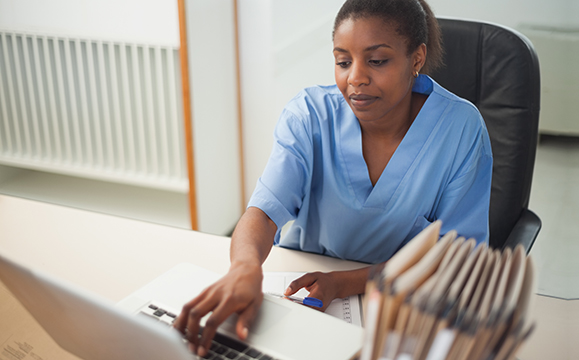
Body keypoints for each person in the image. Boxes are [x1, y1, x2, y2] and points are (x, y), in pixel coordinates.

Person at [174, 0, 493, 356]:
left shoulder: (461, 130)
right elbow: (262, 211)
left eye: (376, 61)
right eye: (343, 61)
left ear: (416, 59)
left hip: (402, 306)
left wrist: (346, 282)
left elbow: (456, 258)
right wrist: (245, 268)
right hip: (302, 287)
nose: (355, 77)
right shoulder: (309, 115)